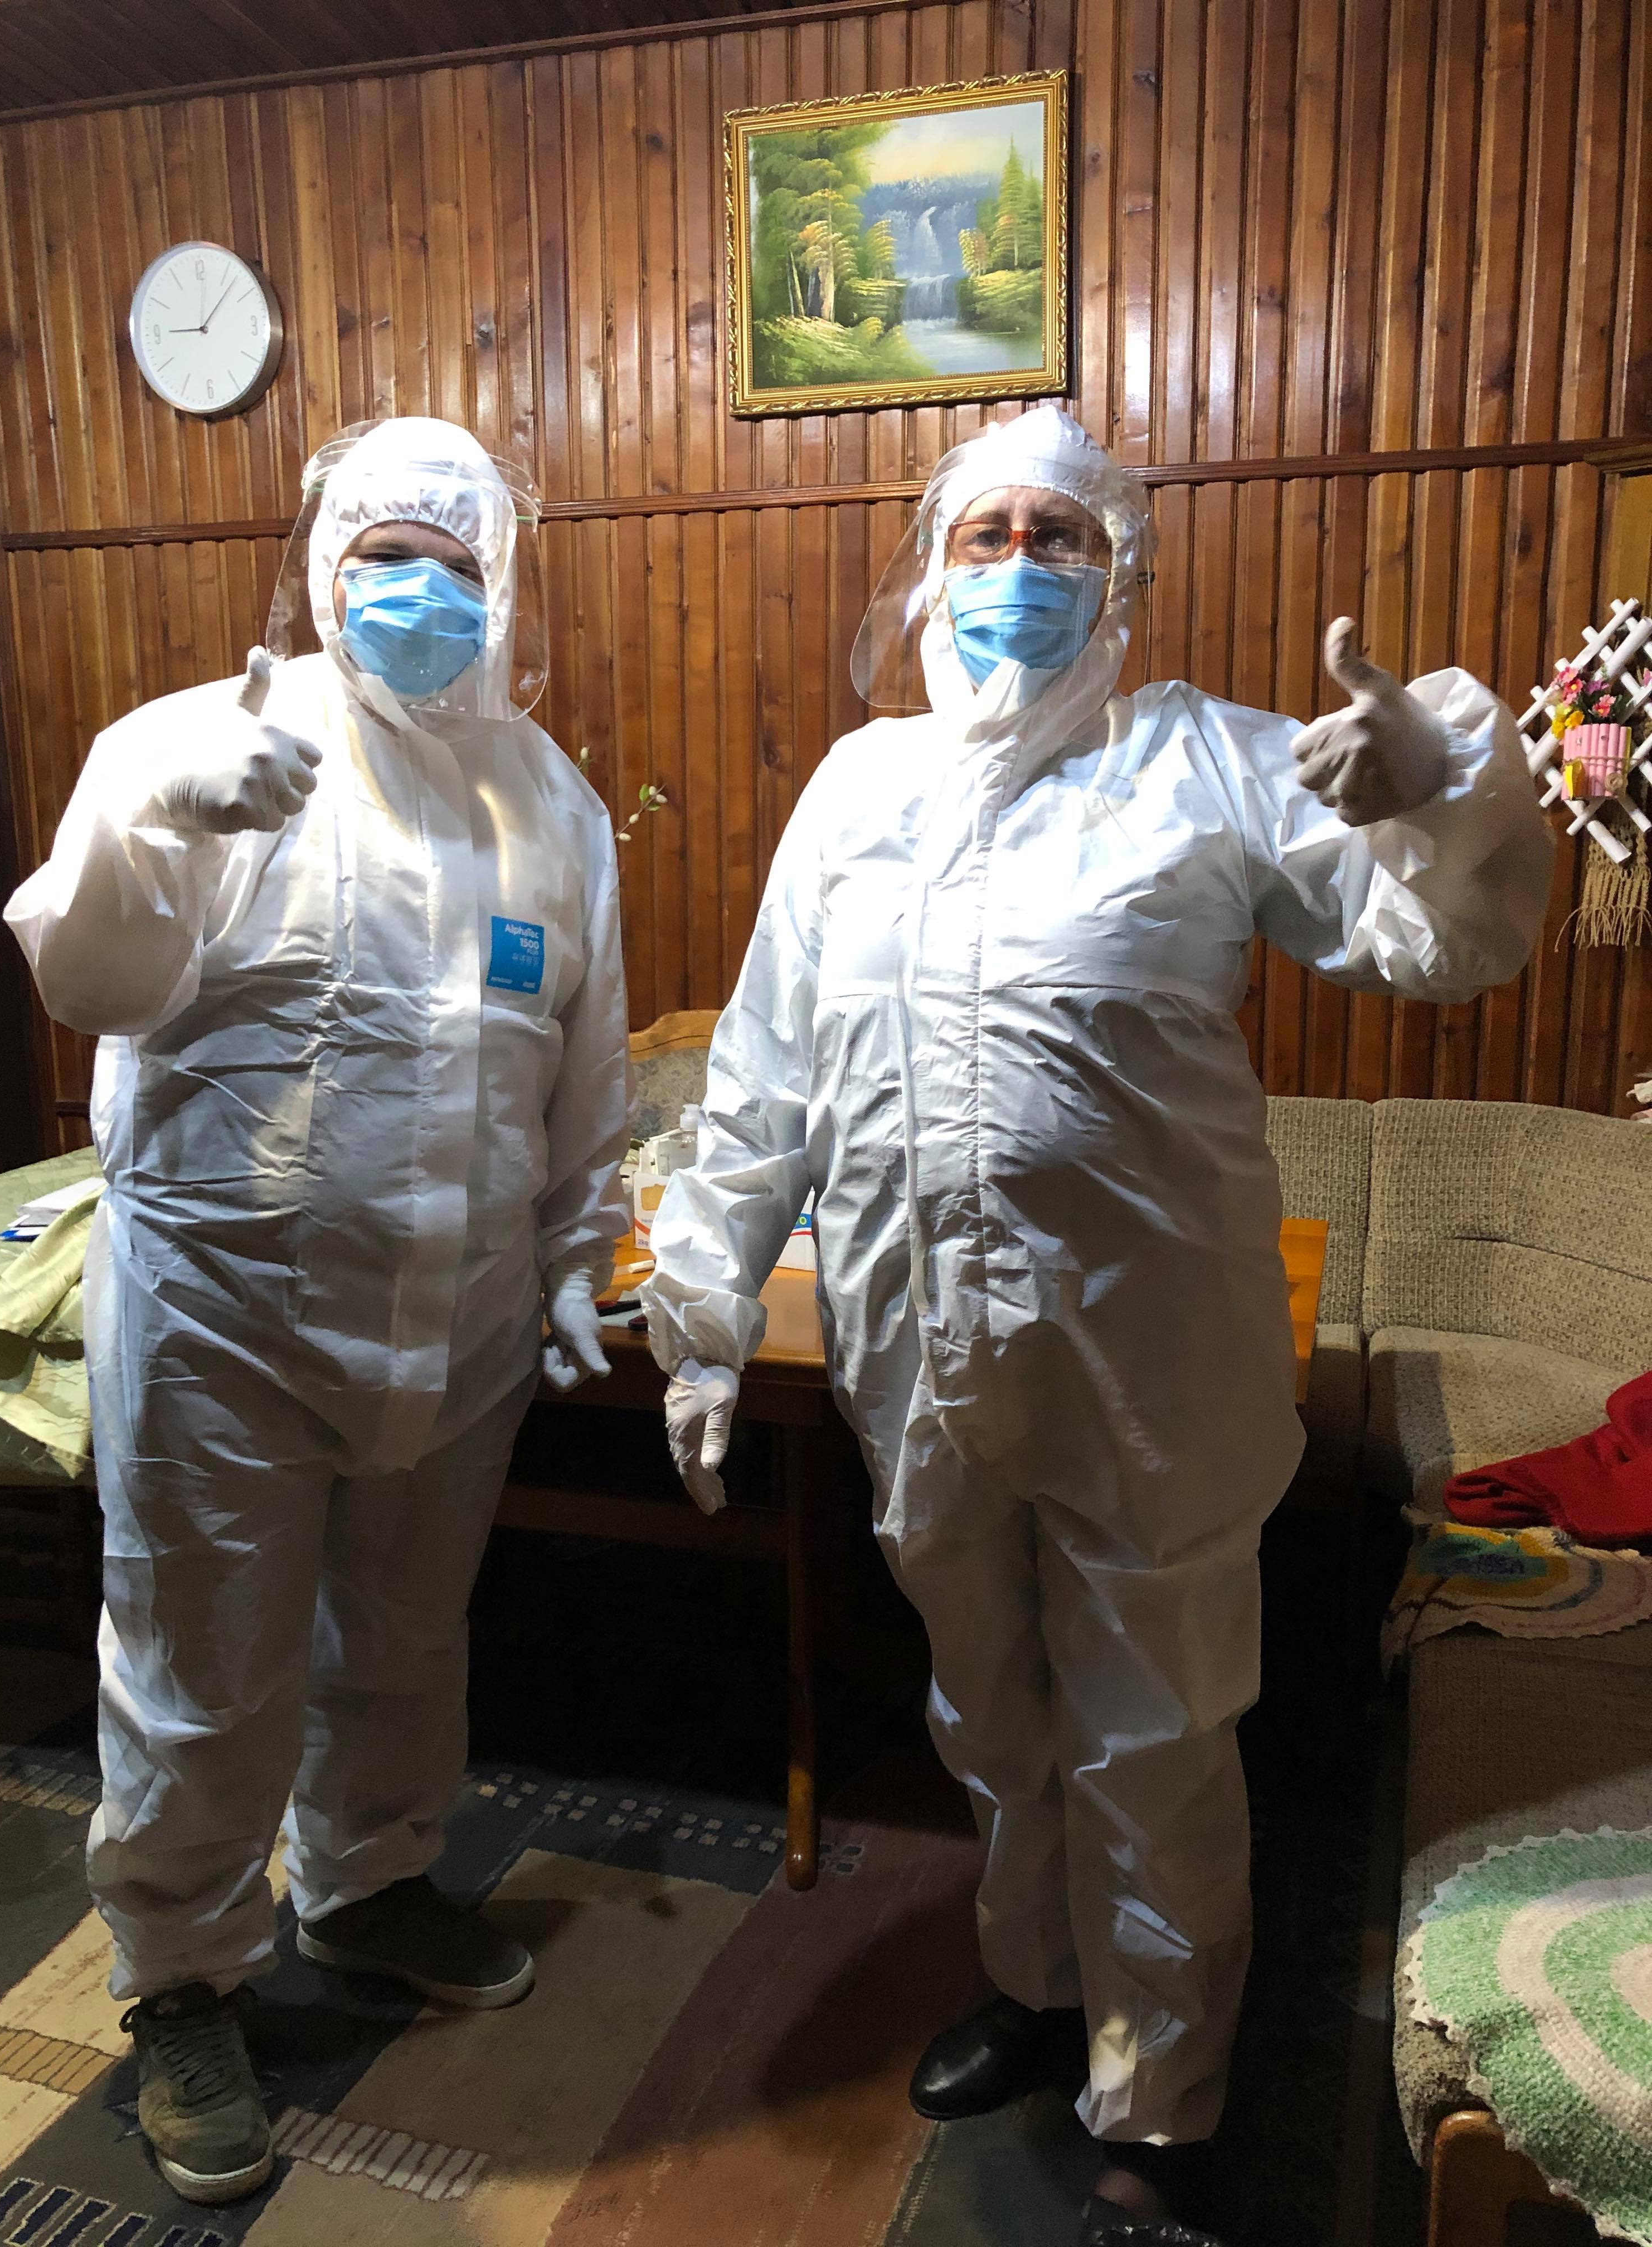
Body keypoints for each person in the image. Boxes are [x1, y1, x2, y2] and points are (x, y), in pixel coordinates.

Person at [640, 405, 1553, 2244]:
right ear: (931, 570)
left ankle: (1166, 2101)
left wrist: (1439, 788)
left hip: (1148, 1370)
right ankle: (1038, 1989)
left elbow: (1443, 944)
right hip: (915, 1353)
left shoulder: (1210, 762)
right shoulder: (859, 792)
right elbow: (765, 1074)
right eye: (986, 537)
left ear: (1116, 573)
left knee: (1152, 1738)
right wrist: (707, 1307)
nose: (1020, 569)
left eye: (1059, 537)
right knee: (989, 1709)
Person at [6, 417, 629, 2208]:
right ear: (320, 570)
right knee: (203, 1665)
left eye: (454, 559)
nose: (417, 590)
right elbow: (86, 979)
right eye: (381, 557)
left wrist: (578, 1246)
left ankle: (366, 1887)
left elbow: (580, 1058)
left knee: (406, 1636)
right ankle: (183, 1981)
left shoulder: (548, 800)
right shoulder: (201, 741)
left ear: (503, 581)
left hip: (462, 1317)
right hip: (224, 1320)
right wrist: (150, 823)